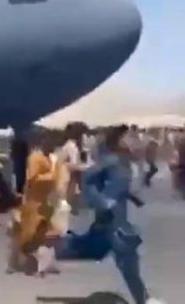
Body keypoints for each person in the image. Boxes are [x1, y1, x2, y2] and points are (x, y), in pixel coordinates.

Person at [55, 125, 164, 304]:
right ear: (118, 139)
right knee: (124, 259)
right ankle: (46, 249)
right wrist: (102, 201)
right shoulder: (111, 160)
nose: (135, 141)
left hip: (118, 220)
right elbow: (87, 179)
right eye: (130, 137)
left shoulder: (122, 161)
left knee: (125, 261)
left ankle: (143, 299)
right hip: (113, 221)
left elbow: (119, 185)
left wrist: (132, 197)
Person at [10, 131, 61, 277]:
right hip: (34, 202)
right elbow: (33, 179)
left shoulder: (47, 158)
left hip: (43, 202)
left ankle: (40, 264)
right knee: (29, 234)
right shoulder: (35, 158)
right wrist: (52, 176)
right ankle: (22, 264)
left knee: (43, 234)